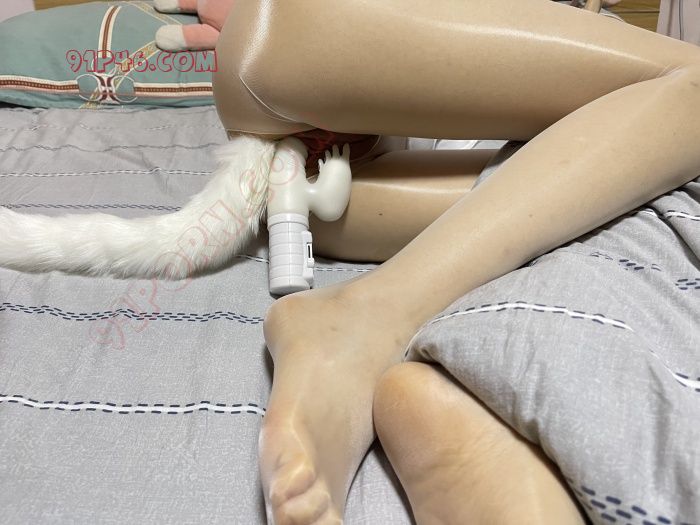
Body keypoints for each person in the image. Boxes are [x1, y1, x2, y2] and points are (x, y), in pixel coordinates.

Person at [212, 1, 700, 523]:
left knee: (646, 196)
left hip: (331, 195)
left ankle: (381, 339)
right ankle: (373, 317)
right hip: (289, 47)